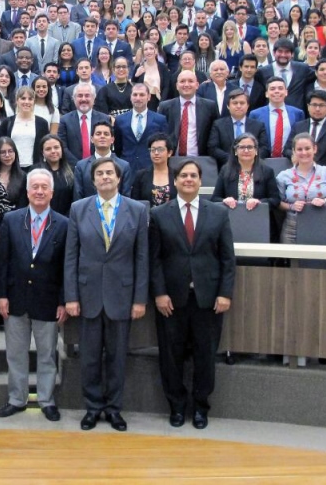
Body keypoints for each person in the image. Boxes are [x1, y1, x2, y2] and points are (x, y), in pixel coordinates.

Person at [150, 159, 236, 430]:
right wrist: (159, 293)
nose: (188, 179)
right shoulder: (159, 214)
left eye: (193, 176)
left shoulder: (218, 213)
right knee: (170, 356)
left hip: (208, 300)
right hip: (171, 301)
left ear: (200, 181)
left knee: (205, 356)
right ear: (175, 181)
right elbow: (154, 260)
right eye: (183, 176)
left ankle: (200, 407)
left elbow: (227, 259)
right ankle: (176, 407)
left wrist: (225, 293)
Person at [64, 157, 149, 432]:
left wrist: (139, 299)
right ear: (93, 180)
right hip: (88, 294)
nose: (105, 177)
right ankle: (92, 408)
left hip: (122, 295)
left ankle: (114, 409)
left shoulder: (137, 210)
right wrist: (71, 296)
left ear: (119, 178)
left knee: (117, 357)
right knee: (89, 358)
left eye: (109, 172)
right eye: (99, 173)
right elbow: (71, 256)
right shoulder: (79, 209)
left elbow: (142, 257)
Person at [0, 169, 69, 422]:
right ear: (27, 192)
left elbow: (66, 267)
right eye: (34, 187)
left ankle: (47, 400)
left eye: (44, 187)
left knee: (47, 355)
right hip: (15, 298)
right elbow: (2, 261)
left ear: (52, 192)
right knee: (16, 354)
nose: (39, 191)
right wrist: (1, 295)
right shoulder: (12, 220)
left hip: (48, 301)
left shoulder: (64, 224)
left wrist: (62, 300)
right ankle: (17, 399)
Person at [276, 133, 326, 243]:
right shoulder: (284, 176)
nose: (304, 152)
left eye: (307, 148)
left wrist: (325, 201)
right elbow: (277, 203)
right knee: (292, 254)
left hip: (322, 224)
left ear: (314, 149)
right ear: (294, 151)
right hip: (292, 228)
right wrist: (291, 206)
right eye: (299, 149)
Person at [212, 132, 280, 212]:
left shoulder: (267, 171)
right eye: (242, 147)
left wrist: (260, 202)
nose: (246, 150)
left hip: (258, 216)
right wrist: (224, 200)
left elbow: (276, 200)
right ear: (235, 151)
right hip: (232, 216)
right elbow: (214, 199)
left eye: (250, 147)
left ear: (256, 151)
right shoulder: (225, 170)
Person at [130, 133, 176, 206]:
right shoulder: (141, 175)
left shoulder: (176, 175)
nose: (156, 153)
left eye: (160, 149)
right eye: (153, 150)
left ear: (169, 153)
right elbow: (135, 203)